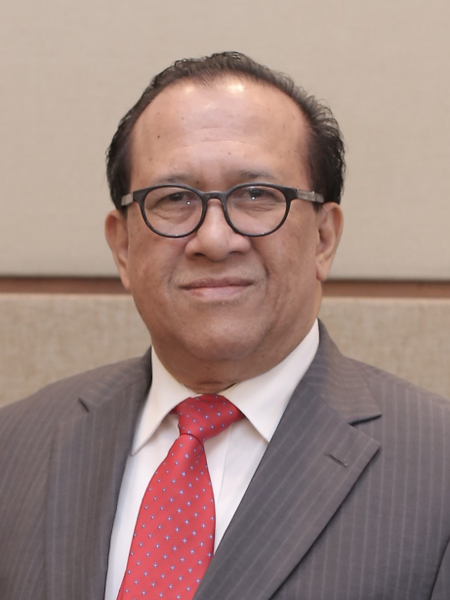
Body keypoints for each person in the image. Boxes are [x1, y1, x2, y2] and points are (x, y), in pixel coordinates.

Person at [1, 52, 449, 600]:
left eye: (257, 195)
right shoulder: (14, 447)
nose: (214, 240)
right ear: (122, 247)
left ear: (323, 238)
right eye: (174, 199)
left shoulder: (437, 468)